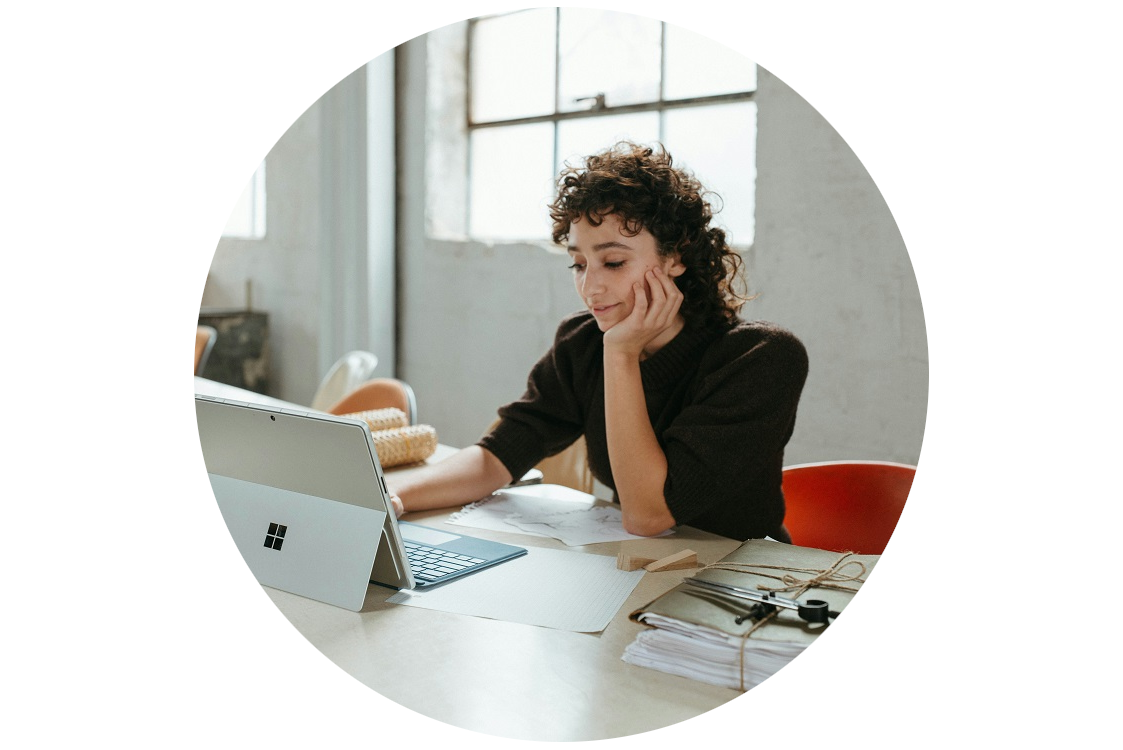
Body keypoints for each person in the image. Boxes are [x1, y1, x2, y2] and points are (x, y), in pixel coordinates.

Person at [387, 141, 808, 541]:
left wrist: (622, 354)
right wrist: (394, 498)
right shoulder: (583, 343)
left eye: (613, 262)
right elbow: (499, 455)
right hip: (640, 566)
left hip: (743, 580)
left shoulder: (760, 358)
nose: (591, 288)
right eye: (578, 264)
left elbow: (648, 514)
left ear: (676, 256)